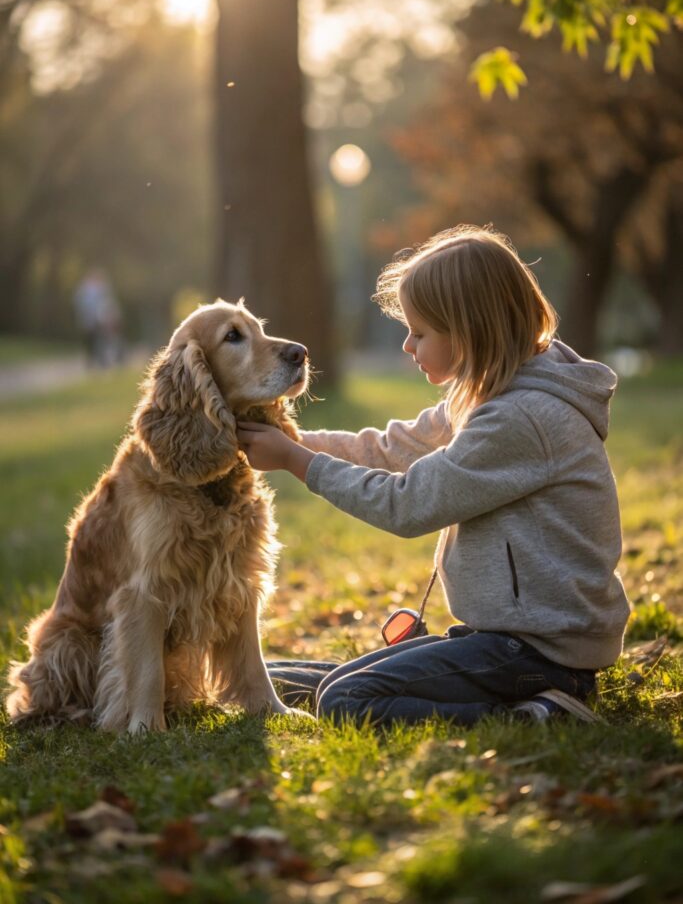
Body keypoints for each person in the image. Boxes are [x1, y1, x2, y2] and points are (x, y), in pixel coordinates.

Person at [237, 226, 630, 727]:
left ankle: (540, 713)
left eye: (419, 332)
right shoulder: (489, 392)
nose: (407, 345)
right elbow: (391, 448)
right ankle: (529, 701)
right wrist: (291, 441)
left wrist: (296, 462)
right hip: (500, 637)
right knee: (284, 679)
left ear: (469, 330)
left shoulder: (520, 418)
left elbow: (408, 504)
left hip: (542, 651)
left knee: (346, 700)